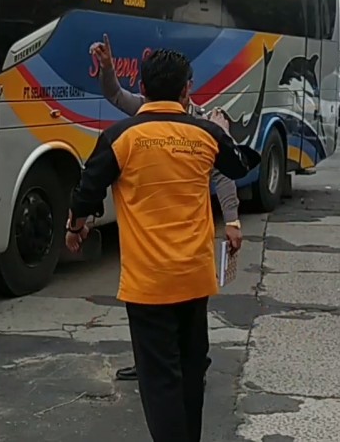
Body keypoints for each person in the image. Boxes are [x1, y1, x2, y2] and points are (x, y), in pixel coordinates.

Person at [66, 49, 261, 442]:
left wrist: (76, 226)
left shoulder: (121, 138)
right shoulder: (204, 134)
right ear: (187, 89)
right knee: (191, 373)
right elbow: (241, 165)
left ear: (142, 86)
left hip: (149, 283)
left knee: (160, 381)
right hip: (194, 277)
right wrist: (221, 127)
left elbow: (88, 187)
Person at [90, 35, 243, 382]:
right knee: (150, 307)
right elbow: (115, 94)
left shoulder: (203, 125)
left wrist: (232, 221)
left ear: (186, 92)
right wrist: (108, 69)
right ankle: (152, 363)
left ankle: (187, 366)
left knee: (185, 306)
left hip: (186, 236)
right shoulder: (145, 115)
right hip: (148, 233)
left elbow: (224, 175)